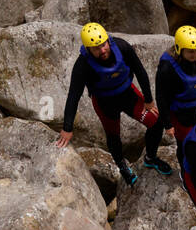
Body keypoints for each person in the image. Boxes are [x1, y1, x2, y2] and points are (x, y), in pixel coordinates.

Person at [56, 23, 172, 183]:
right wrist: (67, 128)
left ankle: (151, 158)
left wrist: (148, 100)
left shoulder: (122, 47)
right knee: (114, 136)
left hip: (128, 95)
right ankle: (121, 164)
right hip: (105, 104)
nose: (102, 50)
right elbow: (73, 96)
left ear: (108, 40)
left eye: (103, 44)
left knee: (156, 123)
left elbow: (139, 70)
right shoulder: (82, 65)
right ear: (88, 49)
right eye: (96, 48)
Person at [157, 25, 196, 154]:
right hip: (180, 112)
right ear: (179, 48)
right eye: (190, 51)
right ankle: (185, 171)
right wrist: (168, 124)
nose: (195, 54)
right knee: (184, 144)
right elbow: (161, 97)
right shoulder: (167, 68)